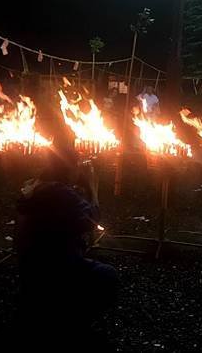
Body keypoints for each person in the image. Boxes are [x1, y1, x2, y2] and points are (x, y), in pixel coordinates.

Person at [16, 145, 118, 343]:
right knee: (108, 275)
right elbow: (91, 221)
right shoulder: (61, 194)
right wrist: (93, 188)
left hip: (30, 270)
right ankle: (71, 320)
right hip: (57, 270)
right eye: (77, 165)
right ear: (68, 167)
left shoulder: (33, 187)